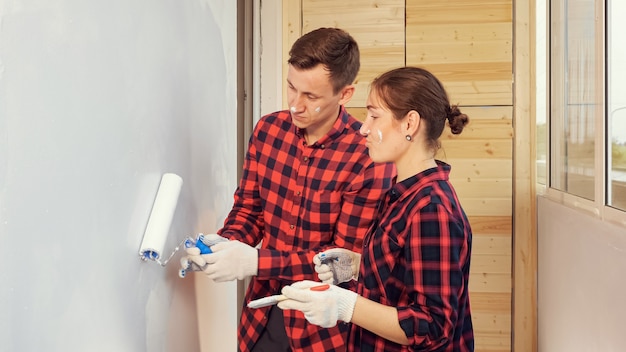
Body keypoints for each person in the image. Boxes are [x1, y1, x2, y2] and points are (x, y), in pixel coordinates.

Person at [181, 27, 395, 352]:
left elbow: (338, 262)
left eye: (311, 97)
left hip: (324, 330)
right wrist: (224, 245)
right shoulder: (268, 130)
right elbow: (249, 211)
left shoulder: (367, 156)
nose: (295, 105)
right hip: (261, 320)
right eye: (291, 88)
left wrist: (254, 262)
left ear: (345, 94)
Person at [277, 66, 475, 351]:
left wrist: (345, 305)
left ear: (409, 124)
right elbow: (404, 277)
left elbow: (432, 327)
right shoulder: (401, 194)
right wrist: (358, 266)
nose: (363, 127)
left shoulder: (431, 210)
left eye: (374, 115)